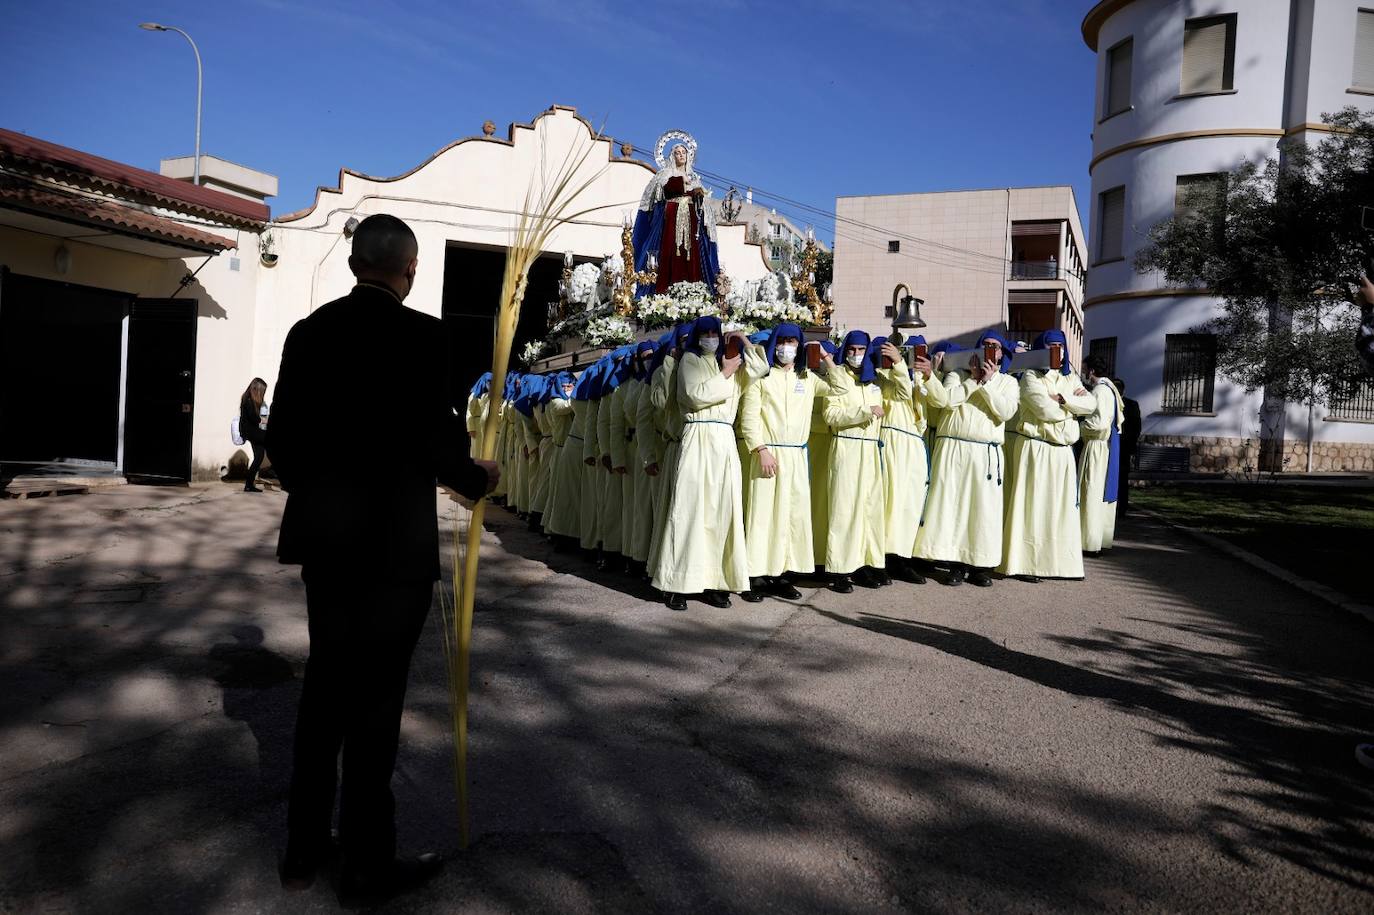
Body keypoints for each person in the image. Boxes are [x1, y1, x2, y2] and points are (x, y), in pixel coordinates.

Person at [266, 214, 498, 904]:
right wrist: (475, 475)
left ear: (353, 264)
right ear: (411, 269)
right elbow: (437, 443)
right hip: (393, 551)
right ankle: (367, 867)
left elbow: (283, 442)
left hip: (328, 545)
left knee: (323, 696)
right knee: (374, 708)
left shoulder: (308, 335)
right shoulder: (426, 336)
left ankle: (302, 853)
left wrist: (322, 492)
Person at [651, 317, 768, 610]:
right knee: (689, 509)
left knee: (721, 511)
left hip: (724, 440)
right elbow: (695, 395)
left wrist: (742, 338)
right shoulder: (689, 360)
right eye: (704, 334)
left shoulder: (731, 362)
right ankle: (677, 582)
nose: (710, 338)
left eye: (714, 333)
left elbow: (761, 368)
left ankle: (715, 581)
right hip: (698, 435)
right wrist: (726, 373)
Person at [738, 324, 842, 600]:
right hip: (768, 453)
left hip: (796, 454)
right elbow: (749, 419)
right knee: (762, 515)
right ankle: (754, 575)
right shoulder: (762, 377)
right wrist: (760, 449)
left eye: (793, 342)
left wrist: (825, 359)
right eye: (782, 341)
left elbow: (839, 388)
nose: (787, 347)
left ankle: (782, 573)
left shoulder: (807, 378)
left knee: (791, 515)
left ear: (799, 346)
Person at [914, 335, 1020, 587]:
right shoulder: (956, 374)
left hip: (985, 453)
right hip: (954, 447)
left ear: (1002, 353)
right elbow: (946, 401)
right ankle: (954, 564)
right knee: (953, 507)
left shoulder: (1008, 383)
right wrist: (973, 380)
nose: (989, 351)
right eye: (986, 345)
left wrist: (986, 383)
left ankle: (980, 565)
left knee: (982, 511)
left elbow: (1005, 411)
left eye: (995, 347)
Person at [999, 330, 1096, 582]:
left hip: (1063, 451)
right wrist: (1073, 408)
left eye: (1061, 346)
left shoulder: (1070, 376)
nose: (1057, 350)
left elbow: (1092, 405)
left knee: (1060, 510)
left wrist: (1063, 400)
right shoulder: (1031, 376)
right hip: (1037, 447)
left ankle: (1060, 564)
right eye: (1051, 345)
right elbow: (1044, 410)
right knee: (1032, 506)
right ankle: (1026, 564)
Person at [823, 330, 893, 592]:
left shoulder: (873, 381)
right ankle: (840, 568)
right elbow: (831, 415)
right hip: (847, 447)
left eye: (861, 349)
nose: (855, 354)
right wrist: (863, 411)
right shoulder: (838, 377)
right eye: (851, 349)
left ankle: (865, 564)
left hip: (870, 450)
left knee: (869, 509)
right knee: (845, 509)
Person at [874, 335, 930, 585]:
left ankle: (903, 557)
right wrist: (895, 365)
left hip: (914, 443)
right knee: (889, 503)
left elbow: (929, 398)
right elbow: (901, 390)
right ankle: (882, 558)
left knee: (909, 504)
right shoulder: (879, 375)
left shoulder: (919, 376)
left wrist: (922, 373)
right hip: (891, 439)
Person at [631, 140, 721, 295]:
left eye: (683, 152)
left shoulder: (694, 178)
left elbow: (703, 206)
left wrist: (698, 195)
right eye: (677, 153)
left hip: (691, 221)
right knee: (670, 251)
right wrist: (680, 181)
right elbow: (662, 191)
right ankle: (664, 290)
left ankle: (693, 291)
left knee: (692, 255)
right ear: (672, 156)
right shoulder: (665, 173)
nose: (681, 155)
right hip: (671, 218)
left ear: (688, 156)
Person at [1079, 355, 1124, 555]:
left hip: (1097, 446)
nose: (1083, 374)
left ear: (1091, 371)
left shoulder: (1100, 391)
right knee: (1096, 493)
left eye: (1085, 369)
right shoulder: (1109, 389)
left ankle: (1090, 543)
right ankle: (1096, 540)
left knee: (1091, 491)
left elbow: (1098, 423)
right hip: (1103, 445)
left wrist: (1077, 425)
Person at [1114, 378, 1141, 511]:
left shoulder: (1128, 404)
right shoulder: (1132, 404)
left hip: (1121, 447)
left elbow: (1136, 428)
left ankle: (1120, 507)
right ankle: (1121, 507)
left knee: (1120, 478)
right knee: (1122, 479)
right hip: (1121, 447)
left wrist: (1130, 446)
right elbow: (1137, 428)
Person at [239, 377, 269, 493]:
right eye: (262, 391)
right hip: (252, 432)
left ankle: (249, 485)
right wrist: (263, 417)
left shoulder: (251, 400)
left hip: (253, 431)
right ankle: (249, 484)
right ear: (257, 390)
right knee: (260, 456)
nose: (263, 394)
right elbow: (255, 419)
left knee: (259, 456)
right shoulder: (248, 401)